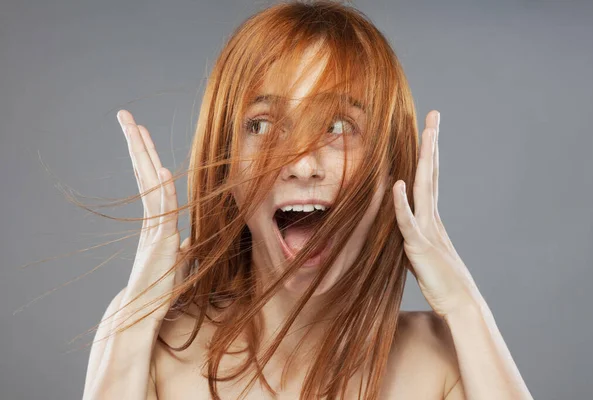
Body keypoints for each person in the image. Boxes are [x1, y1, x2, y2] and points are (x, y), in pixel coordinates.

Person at [82, 1, 534, 399]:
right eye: (262, 125)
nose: (302, 164)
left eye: (337, 126)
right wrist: (133, 321)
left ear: (389, 169)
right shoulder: (153, 351)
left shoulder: (442, 361)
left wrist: (464, 306)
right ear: (226, 165)